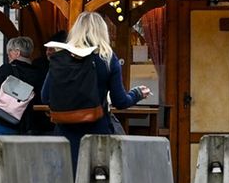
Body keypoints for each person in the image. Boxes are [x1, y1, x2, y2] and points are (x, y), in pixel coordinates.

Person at [41, 12, 150, 168]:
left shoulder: (60, 58)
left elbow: (45, 97)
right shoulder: (107, 58)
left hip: (64, 133)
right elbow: (120, 101)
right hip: (97, 131)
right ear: (102, 32)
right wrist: (137, 94)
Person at [0, 36, 46, 135]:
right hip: (28, 125)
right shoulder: (38, 73)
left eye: (9, 52)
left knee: (0, 150)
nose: (8, 55)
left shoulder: (7, 69)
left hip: (2, 120)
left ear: (17, 52)